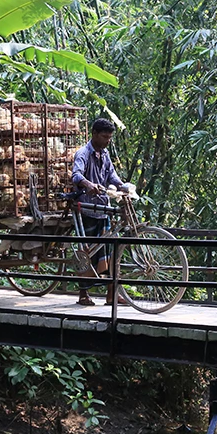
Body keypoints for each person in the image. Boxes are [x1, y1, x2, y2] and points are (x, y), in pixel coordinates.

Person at [71, 118, 129, 306]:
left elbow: (112, 175)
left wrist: (122, 186)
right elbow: (76, 174)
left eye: (110, 138)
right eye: (105, 137)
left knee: (111, 251)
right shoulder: (83, 153)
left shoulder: (105, 155)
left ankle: (112, 294)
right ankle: (83, 294)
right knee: (86, 252)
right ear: (94, 134)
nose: (107, 141)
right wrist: (88, 184)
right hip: (87, 209)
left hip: (103, 209)